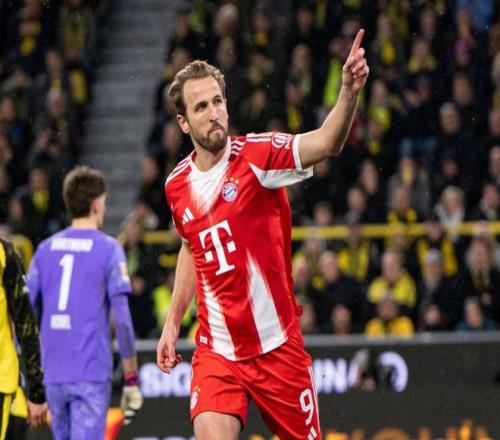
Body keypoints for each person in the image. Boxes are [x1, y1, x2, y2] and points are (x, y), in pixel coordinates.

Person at [156, 29, 369, 439]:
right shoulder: (176, 185)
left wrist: (348, 92)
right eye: (201, 107)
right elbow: (190, 246)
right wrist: (172, 323)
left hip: (278, 349)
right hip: (218, 352)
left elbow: (327, 143)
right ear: (183, 122)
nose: (214, 113)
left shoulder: (258, 157)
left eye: (218, 101)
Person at [27, 166, 143, 440]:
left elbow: (24, 312)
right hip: (90, 371)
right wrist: (131, 377)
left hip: (53, 373)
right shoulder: (109, 249)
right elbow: (122, 321)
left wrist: (30, 374)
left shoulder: (45, 249)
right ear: (96, 204)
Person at [0, 236, 47, 439]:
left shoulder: (4, 253)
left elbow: (26, 324)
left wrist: (36, 391)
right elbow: (26, 324)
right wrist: (37, 391)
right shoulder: (4, 252)